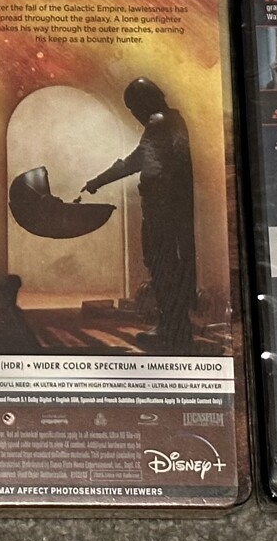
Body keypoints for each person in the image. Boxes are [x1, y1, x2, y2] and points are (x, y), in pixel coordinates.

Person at [82, 78, 196, 352]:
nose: (135, 114)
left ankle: (170, 329)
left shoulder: (158, 122)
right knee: (169, 266)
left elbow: (136, 161)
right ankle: (175, 327)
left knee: (162, 267)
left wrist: (98, 181)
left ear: (144, 103)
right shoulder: (174, 121)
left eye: (134, 108)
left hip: (161, 210)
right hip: (171, 210)